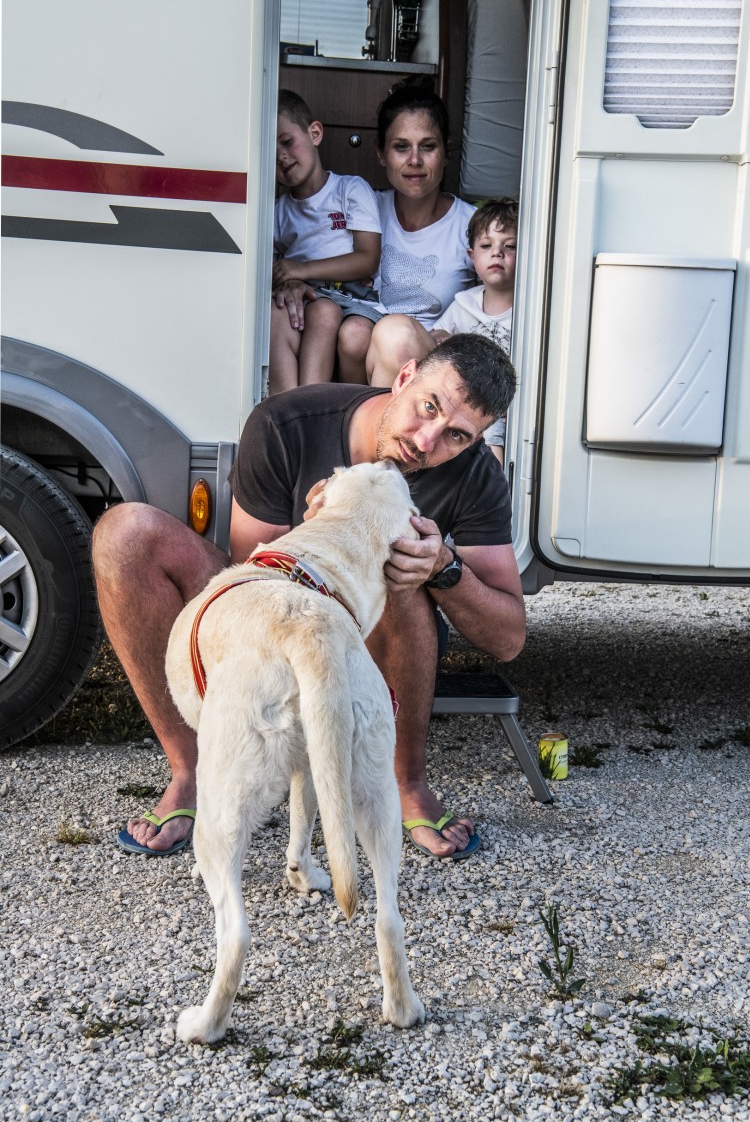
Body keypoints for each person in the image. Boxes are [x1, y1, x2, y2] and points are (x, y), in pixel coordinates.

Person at [93, 334, 526, 862]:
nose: (428, 440)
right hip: (274, 612)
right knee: (125, 533)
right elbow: (247, 583)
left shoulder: (476, 472)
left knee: (397, 564)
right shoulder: (286, 422)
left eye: (457, 435)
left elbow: (507, 639)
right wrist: (316, 536)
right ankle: (192, 771)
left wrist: (444, 566)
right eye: (427, 407)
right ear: (406, 377)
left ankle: (406, 781)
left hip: (373, 635)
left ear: (476, 440)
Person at [274, 86, 477, 384]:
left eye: (428, 146)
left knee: (394, 333)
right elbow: (312, 248)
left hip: (433, 366)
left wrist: (462, 337)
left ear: (446, 152)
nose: (415, 160)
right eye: (401, 147)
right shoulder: (360, 210)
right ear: (380, 154)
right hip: (358, 350)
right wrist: (294, 281)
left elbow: (500, 305)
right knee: (353, 333)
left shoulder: (471, 225)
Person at [367, 198, 518, 463]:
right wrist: (441, 339)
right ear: (472, 256)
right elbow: (438, 339)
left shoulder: (528, 312)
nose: (497, 253)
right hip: (454, 400)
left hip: (493, 407)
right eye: (486, 246)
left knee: (491, 455)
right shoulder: (464, 303)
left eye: (510, 246)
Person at [270, 90, 384, 393]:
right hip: (306, 299)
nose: (280, 156)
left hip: (354, 301)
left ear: (315, 133)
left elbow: (367, 258)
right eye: (268, 150)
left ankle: (309, 408)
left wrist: (301, 270)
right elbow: (271, 269)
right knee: (275, 314)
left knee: (325, 311)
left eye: (286, 141)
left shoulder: (350, 189)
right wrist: (288, 278)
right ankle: (284, 410)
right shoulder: (278, 211)